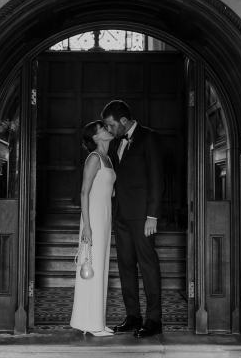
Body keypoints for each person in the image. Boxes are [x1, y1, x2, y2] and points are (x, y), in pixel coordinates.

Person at [101, 100, 164, 338]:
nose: (109, 129)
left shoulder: (149, 138)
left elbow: (157, 179)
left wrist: (152, 215)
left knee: (148, 267)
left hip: (142, 217)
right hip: (121, 216)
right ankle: (133, 316)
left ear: (124, 121)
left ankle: (154, 320)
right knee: (126, 267)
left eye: (111, 124)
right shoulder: (116, 141)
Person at [70, 120, 116, 336]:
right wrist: (86, 227)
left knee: (101, 268)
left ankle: (97, 321)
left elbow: (106, 189)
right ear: (96, 137)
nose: (108, 130)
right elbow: (83, 192)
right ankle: (90, 324)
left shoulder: (107, 158)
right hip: (93, 220)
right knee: (91, 267)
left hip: (105, 217)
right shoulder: (94, 158)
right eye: (103, 129)